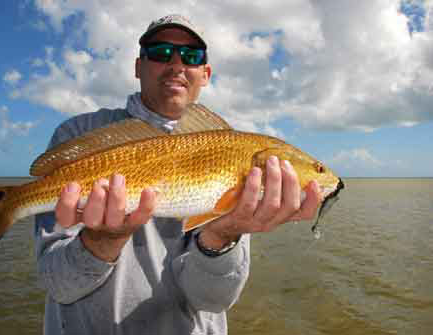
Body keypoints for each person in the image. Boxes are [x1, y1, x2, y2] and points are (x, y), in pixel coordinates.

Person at [35, 14, 321, 335]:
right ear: (137, 66)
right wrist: (101, 241)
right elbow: (58, 284)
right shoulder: (78, 136)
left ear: (205, 73)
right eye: (160, 52)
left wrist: (220, 237)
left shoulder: (236, 157)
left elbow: (212, 301)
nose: (176, 64)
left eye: (191, 56)